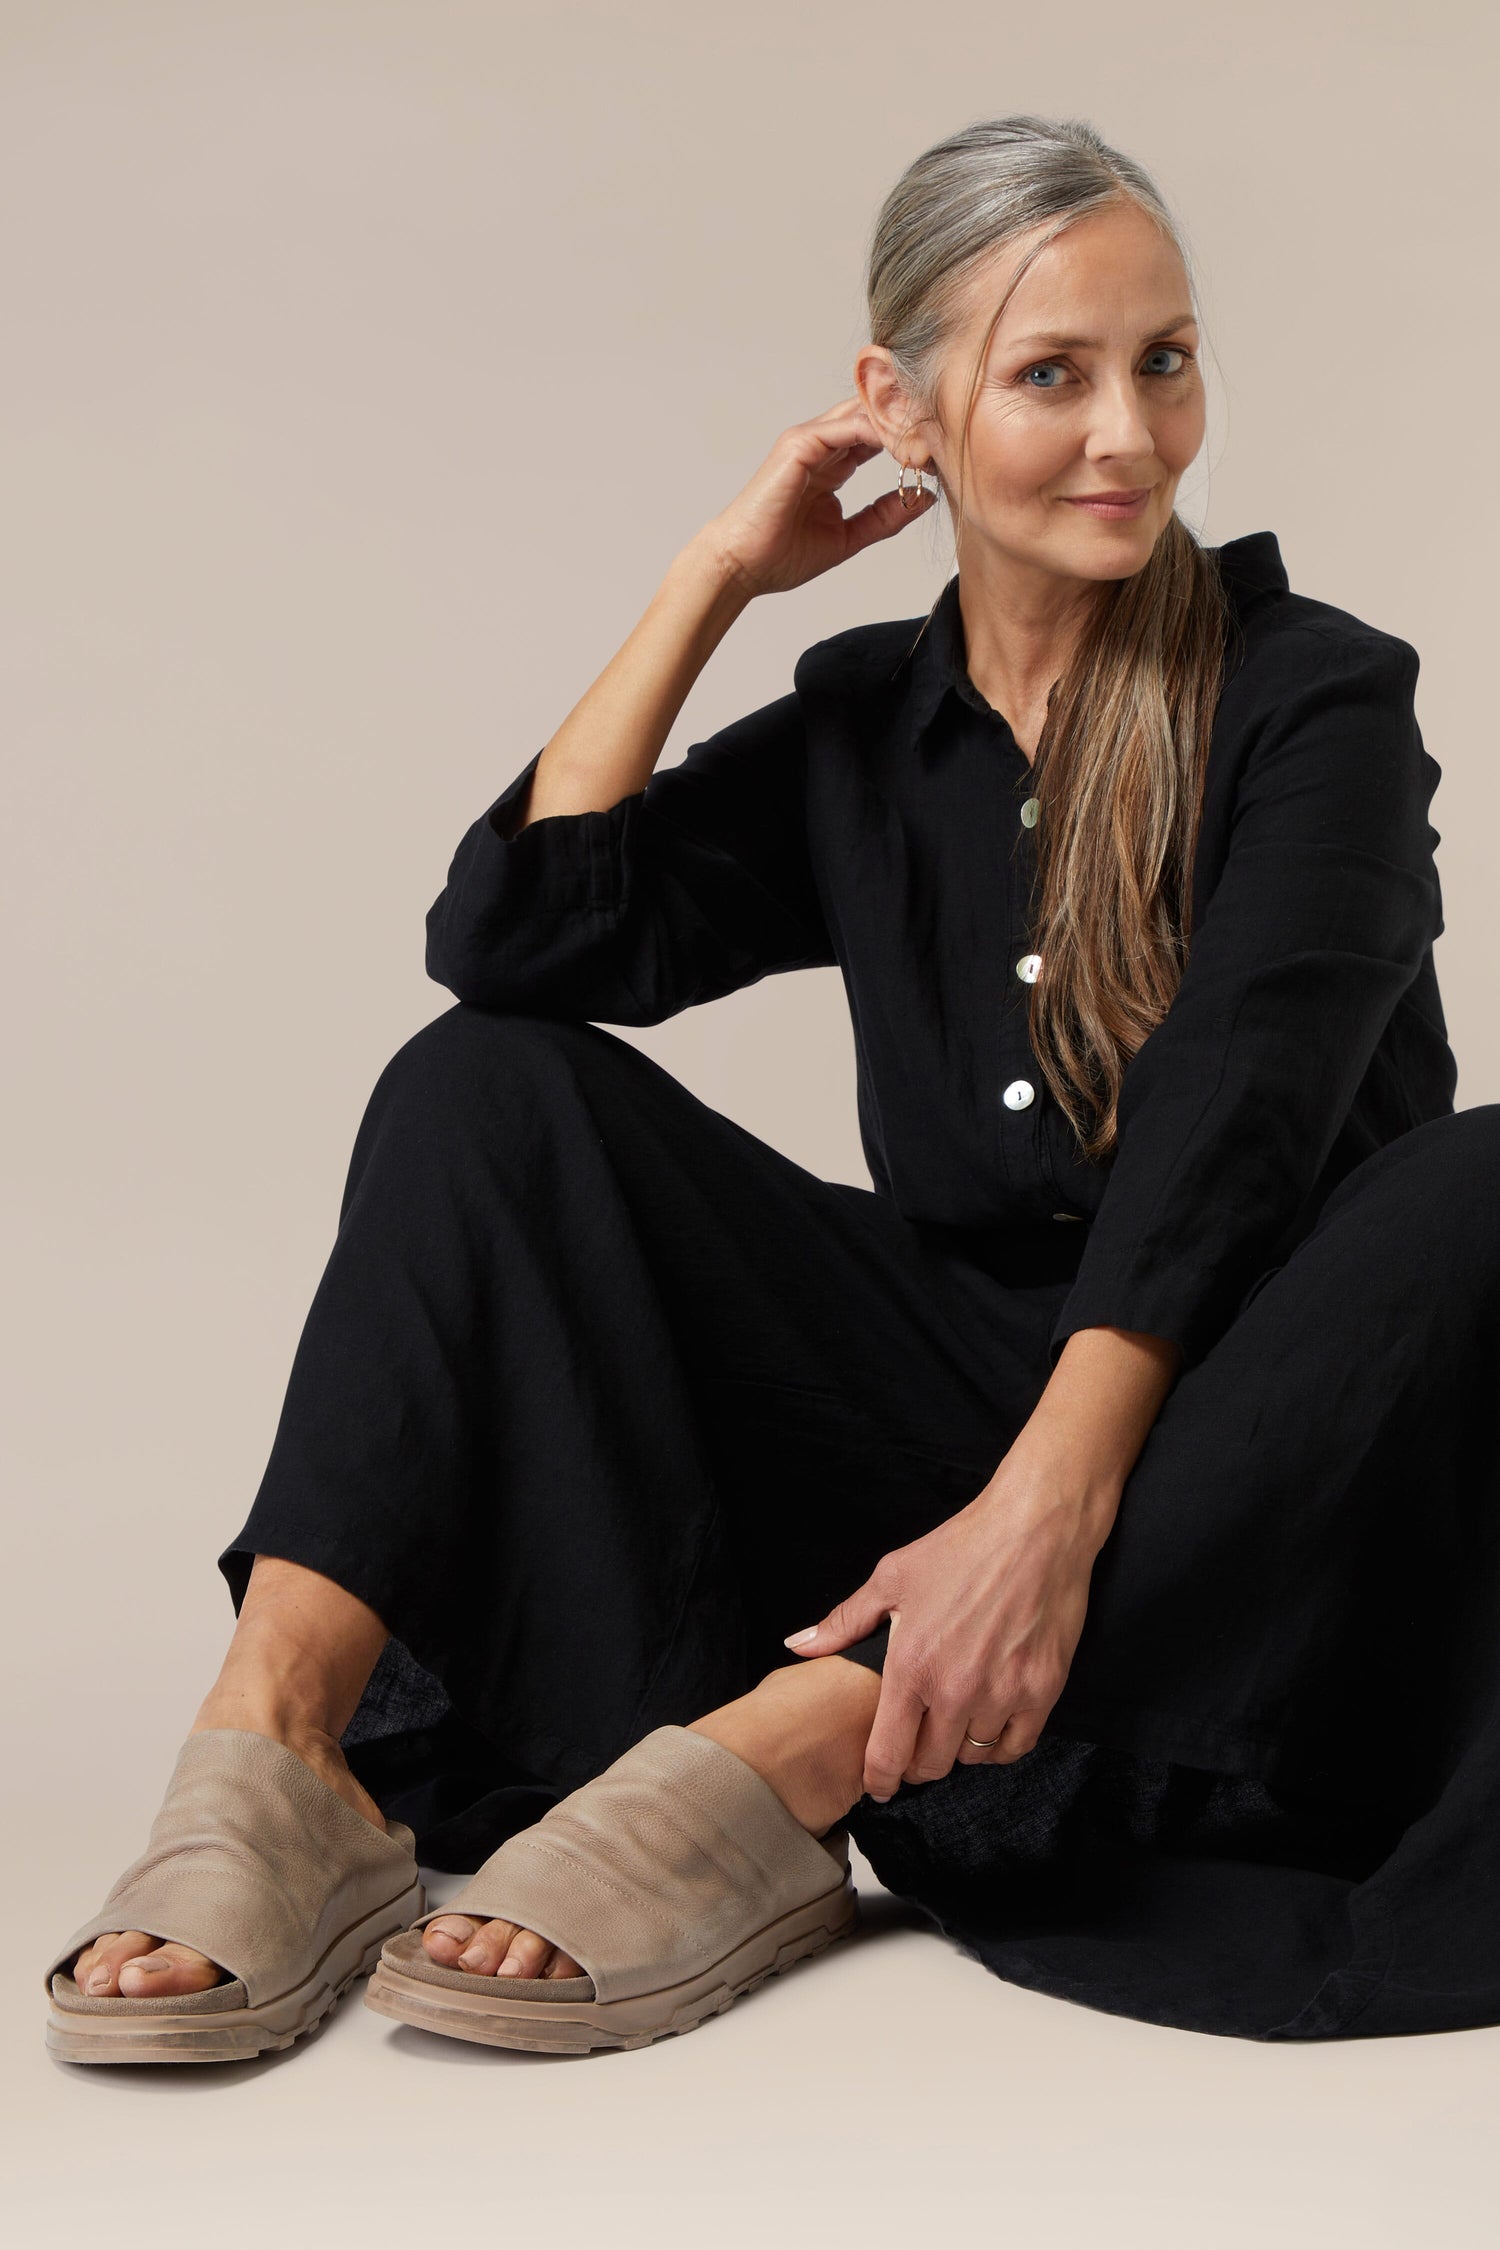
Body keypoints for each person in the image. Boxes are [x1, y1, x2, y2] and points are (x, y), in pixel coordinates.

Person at [45, 113, 1500, 2063]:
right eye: (1052, 374)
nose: (1130, 436)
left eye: (1164, 360)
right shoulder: (863, 738)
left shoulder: (1313, 695)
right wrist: (721, 572)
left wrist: (1035, 1523)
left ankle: (813, 1741)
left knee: (1477, 1187)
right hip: (943, 1429)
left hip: (1268, 1473)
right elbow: (524, 943)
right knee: (484, 1093)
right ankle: (279, 1746)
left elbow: (1239, 1115)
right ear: (899, 407)